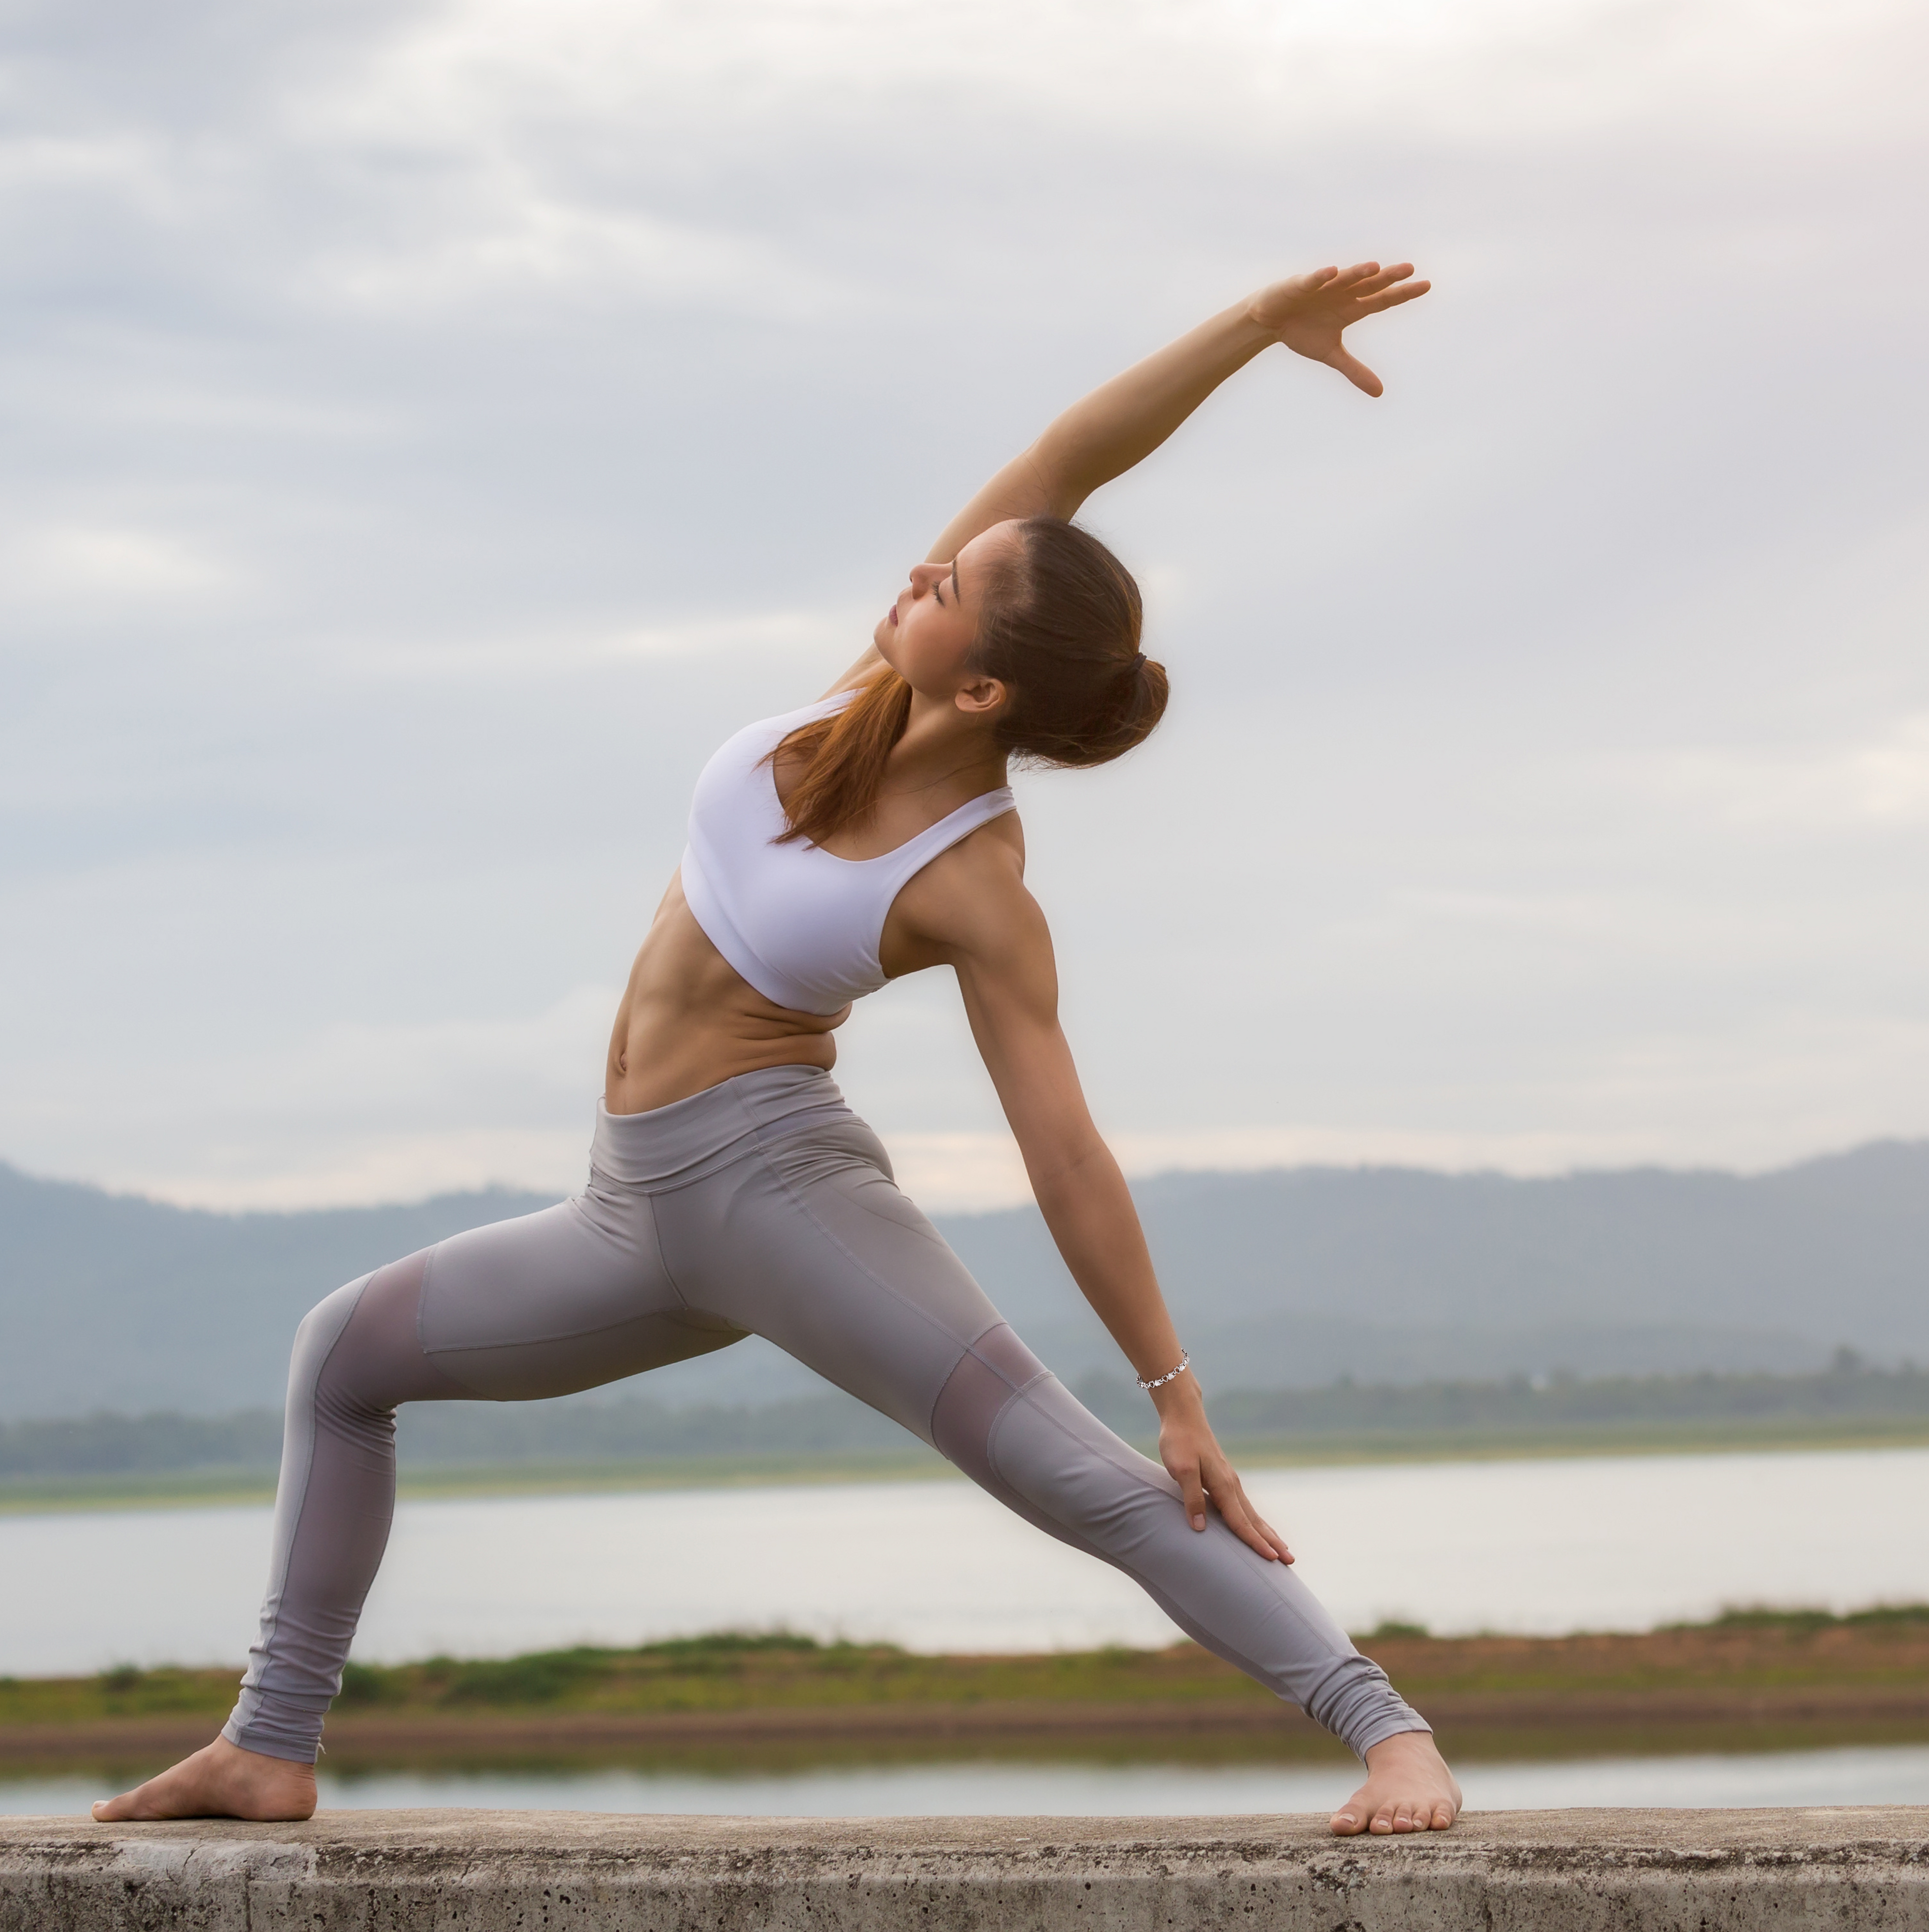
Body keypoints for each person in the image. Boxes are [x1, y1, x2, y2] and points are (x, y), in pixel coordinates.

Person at [92, 262, 1462, 1836]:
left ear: (988, 683)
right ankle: (270, 1745)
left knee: (1078, 1477)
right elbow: (1076, 453)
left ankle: (1389, 1732)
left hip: (780, 1201)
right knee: (342, 1355)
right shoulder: (866, 697)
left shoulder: (973, 885)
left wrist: (1179, 1394)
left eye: (950, 584)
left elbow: (1064, 1151)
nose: (921, 570)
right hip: (625, 1213)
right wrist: (1248, 329)